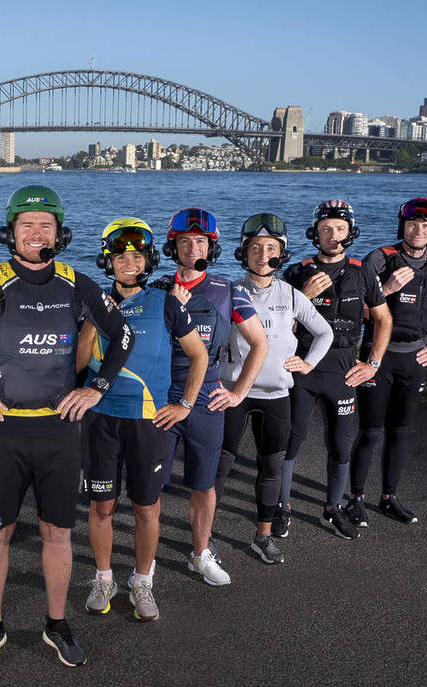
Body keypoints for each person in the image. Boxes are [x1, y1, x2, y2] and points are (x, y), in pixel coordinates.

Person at [0, 185, 132, 669]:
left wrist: (97, 388)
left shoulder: (76, 283)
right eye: (27, 225)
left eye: (46, 226)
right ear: (10, 232)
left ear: (60, 234)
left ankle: (56, 624)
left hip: (59, 431)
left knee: (58, 534)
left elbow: (123, 334)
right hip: (2, 432)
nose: (36, 233)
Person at [77, 218, 207, 620]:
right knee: (101, 506)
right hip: (101, 418)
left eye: (136, 256)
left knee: (146, 507)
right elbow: (79, 365)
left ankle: (142, 582)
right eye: (120, 257)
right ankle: (104, 578)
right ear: (108, 261)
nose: (129, 263)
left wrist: (185, 404)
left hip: (149, 421)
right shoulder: (93, 303)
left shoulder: (166, 303)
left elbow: (199, 355)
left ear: (148, 260)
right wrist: (95, 320)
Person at [151, 208, 267, 585]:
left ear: (211, 247)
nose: (192, 248)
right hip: (162, 393)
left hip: (207, 397)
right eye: (184, 241)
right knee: (150, 485)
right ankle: (145, 561)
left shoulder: (228, 290)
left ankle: (200, 554)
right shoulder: (155, 289)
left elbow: (260, 344)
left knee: (204, 483)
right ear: (173, 247)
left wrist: (237, 393)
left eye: (200, 241)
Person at [214, 214, 333, 565]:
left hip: (277, 396)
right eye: (255, 248)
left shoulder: (292, 296)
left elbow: (324, 332)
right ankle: (204, 540)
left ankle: (263, 536)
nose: (263, 255)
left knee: (271, 468)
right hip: (234, 392)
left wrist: (308, 363)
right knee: (220, 468)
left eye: (270, 248)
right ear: (243, 253)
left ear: (282, 254)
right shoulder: (229, 292)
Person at [348, 198, 427, 525]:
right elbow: (356, 312)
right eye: (413, 224)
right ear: (402, 226)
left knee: (399, 431)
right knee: (371, 431)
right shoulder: (379, 259)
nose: (418, 231)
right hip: (378, 356)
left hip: (414, 360)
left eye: (426, 226)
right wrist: (387, 288)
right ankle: (356, 499)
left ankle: (390, 497)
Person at [281, 200, 392, 539]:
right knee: (292, 439)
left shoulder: (362, 272)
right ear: (314, 233)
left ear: (350, 233)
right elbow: (278, 327)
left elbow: (384, 319)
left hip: (343, 369)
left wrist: (373, 364)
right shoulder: (297, 272)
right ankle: (282, 505)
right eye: (326, 229)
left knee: (341, 444)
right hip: (303, 368)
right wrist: (302, 295)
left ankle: (333, 508)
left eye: (340, 229)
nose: (333, 235)